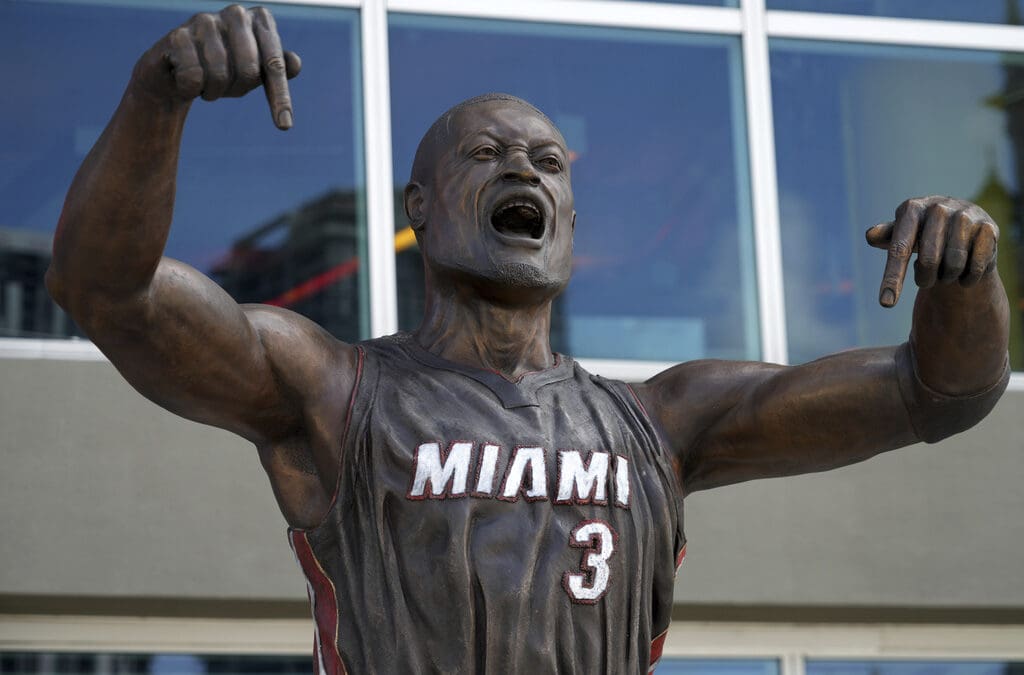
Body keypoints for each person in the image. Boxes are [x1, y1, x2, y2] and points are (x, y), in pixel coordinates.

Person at [46, 6, 1010, 674]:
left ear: (570, 221)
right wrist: (154, 99)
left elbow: (939, 393)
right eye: (488, 154)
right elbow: (108, 294)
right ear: (419, 210)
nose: (527, 170)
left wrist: (965, 283)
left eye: (549, 162)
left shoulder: (658, 423)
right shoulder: (336, 392)